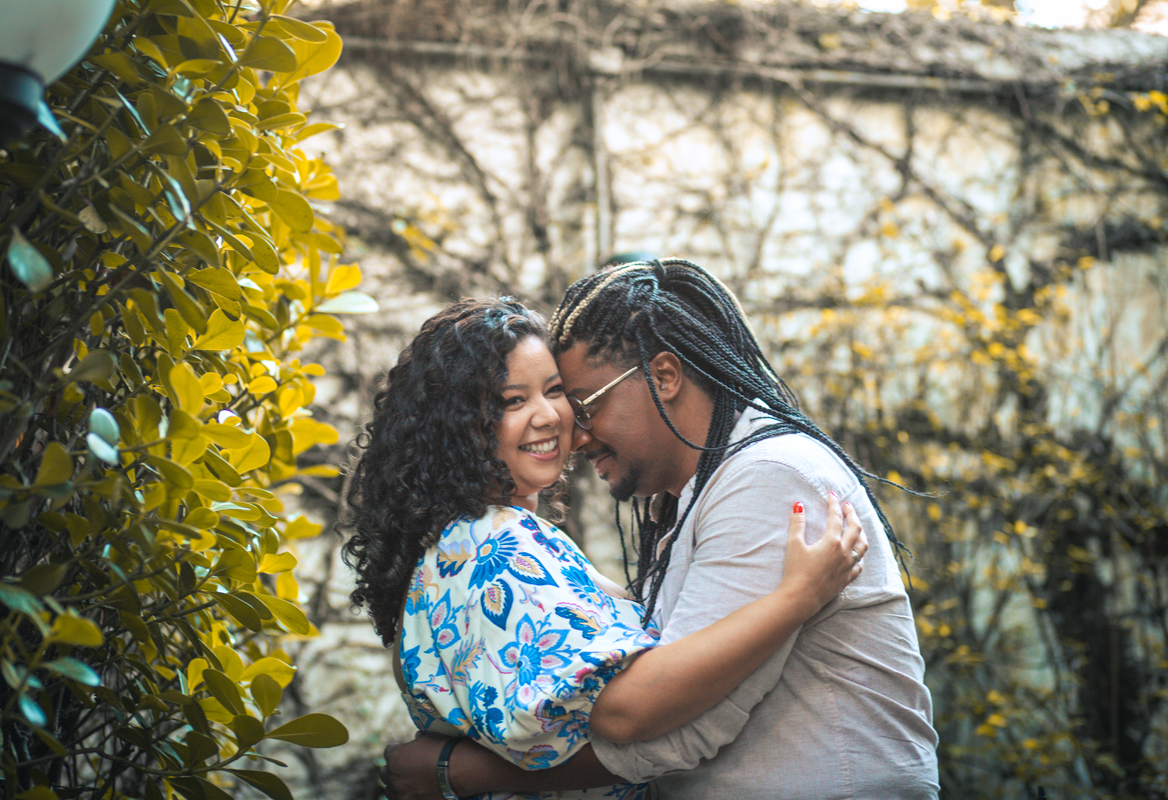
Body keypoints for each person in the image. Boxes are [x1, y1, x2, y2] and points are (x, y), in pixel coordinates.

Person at [382, 261, 939, 799]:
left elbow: (669, 726)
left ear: (664, 376)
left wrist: (460, 773)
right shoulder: (502, 540)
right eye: (514, 400)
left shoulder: (767, 480)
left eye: (577, 401)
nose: (573, 431)